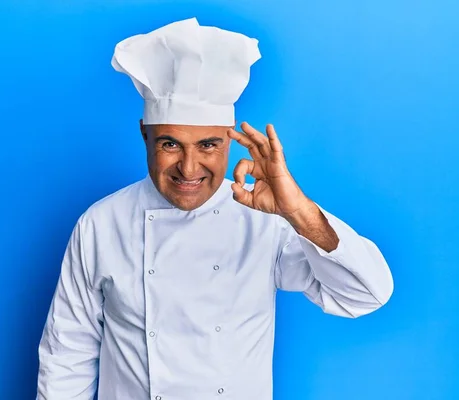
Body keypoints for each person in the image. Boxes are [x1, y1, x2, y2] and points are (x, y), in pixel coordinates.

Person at [36, 17, 394, 400]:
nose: (188, 168)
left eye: (207, 145)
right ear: (145, 134)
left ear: (230, 140)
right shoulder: (101, 224)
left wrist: (299, 212)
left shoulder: (265, 221)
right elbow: (67, 355)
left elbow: (365, 295)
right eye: (170, 144)